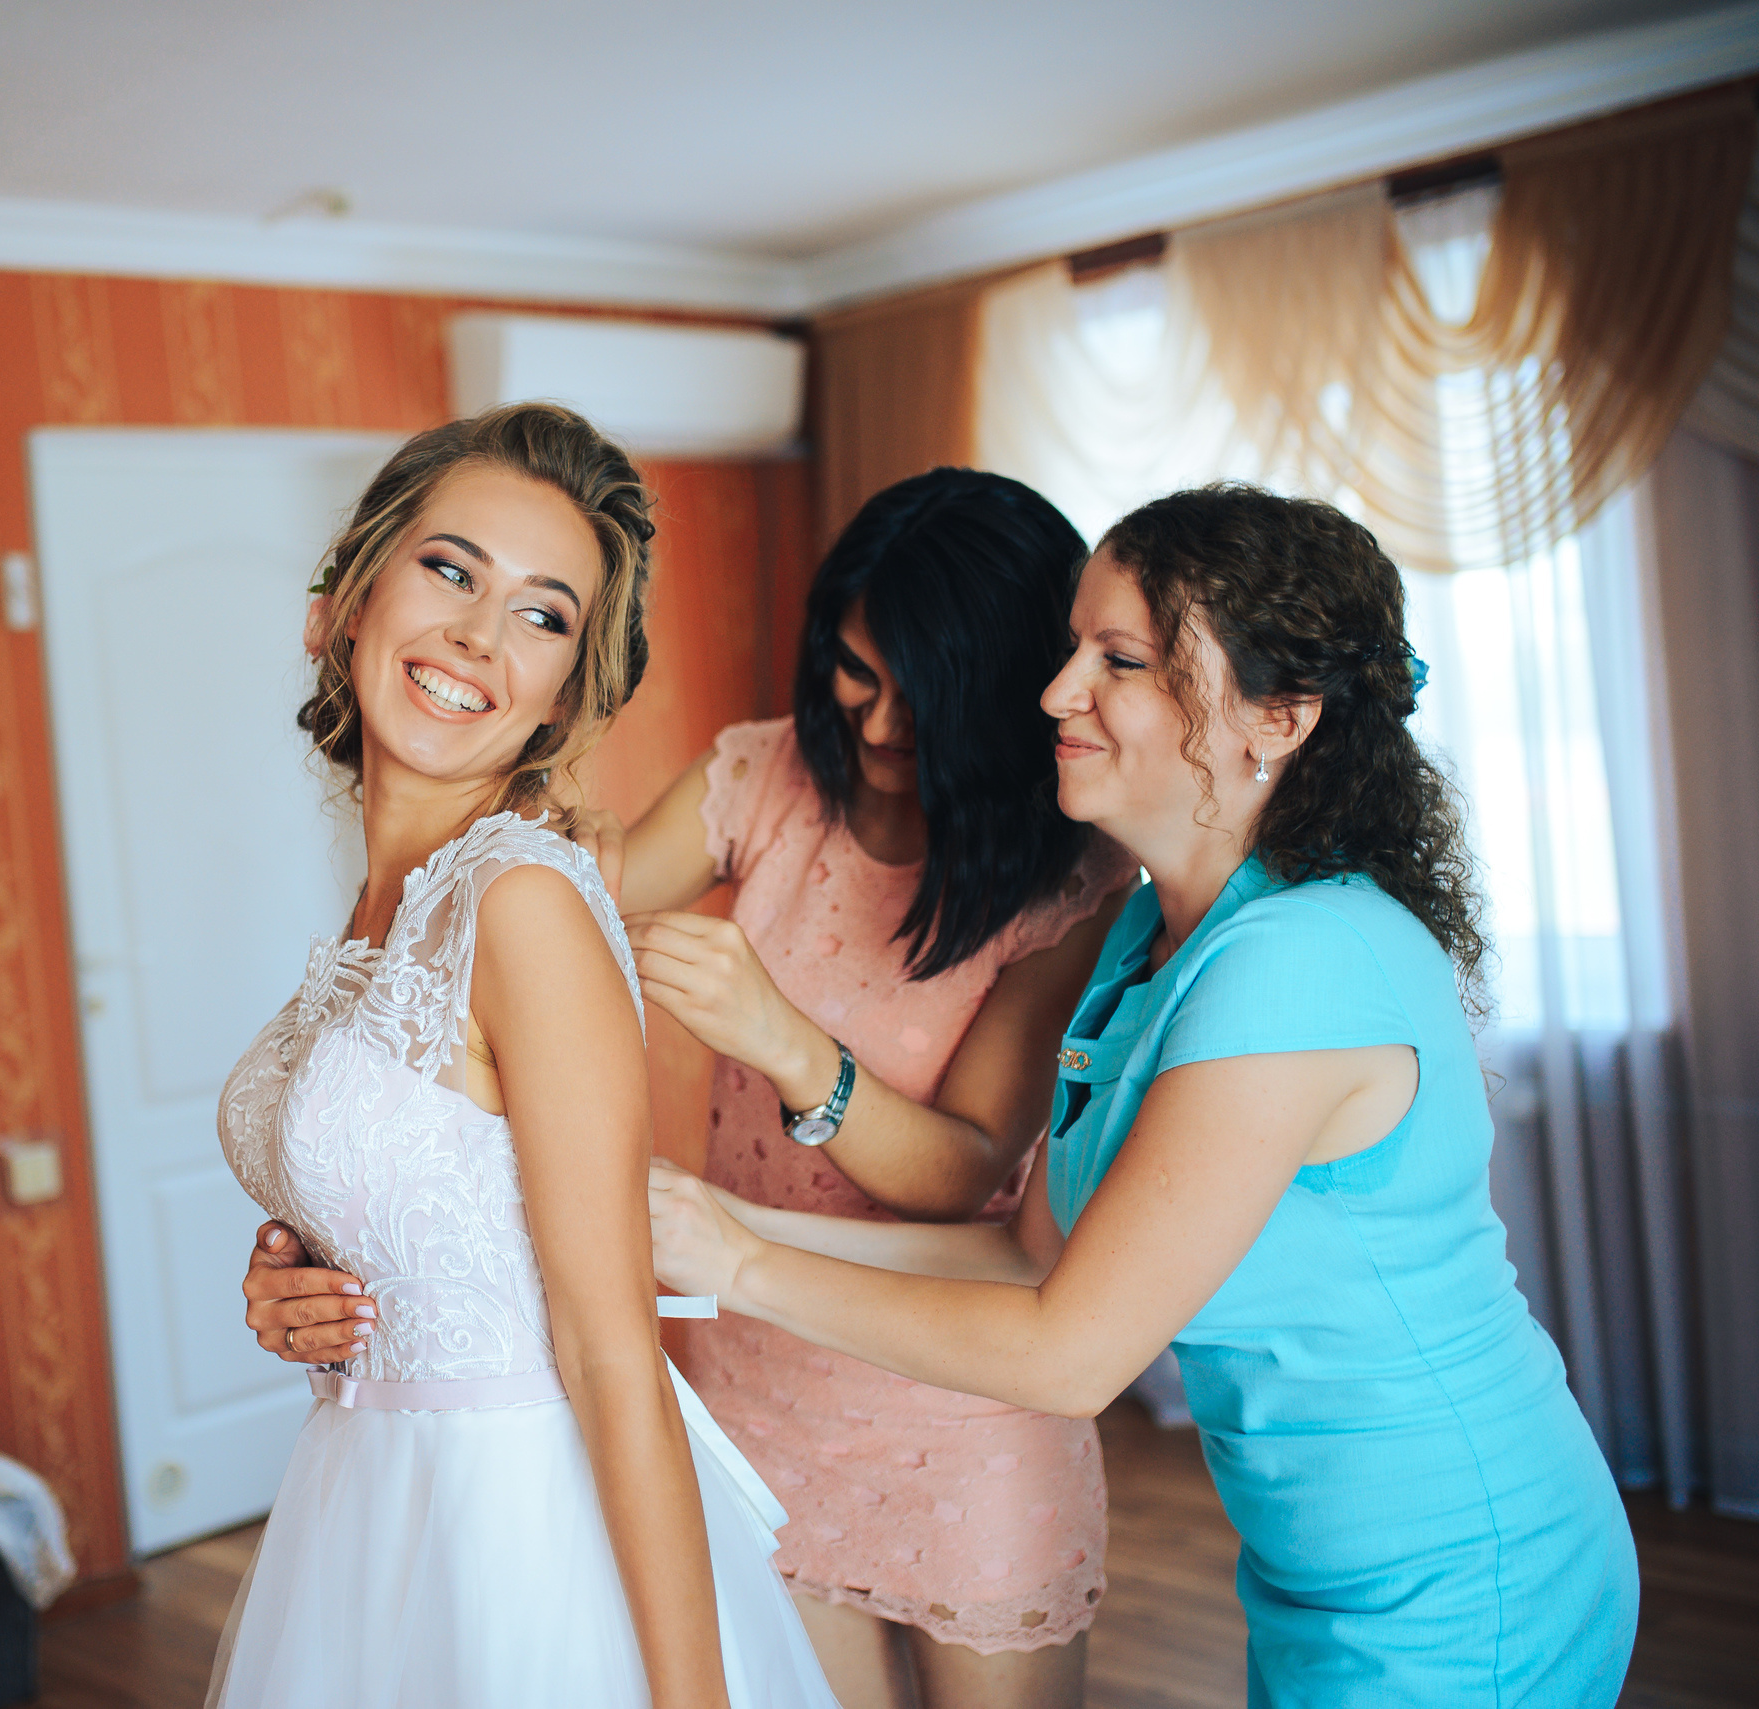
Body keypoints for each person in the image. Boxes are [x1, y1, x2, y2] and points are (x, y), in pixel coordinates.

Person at [649, 485, 1639, 1706]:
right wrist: (713, 1224)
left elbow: (1068, 1352)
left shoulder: (1304, 960)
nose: (1056, 690)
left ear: (1273, 718)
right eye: (1073, 648)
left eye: (1116, 659)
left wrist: (740, 1269)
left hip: (1460, 1571)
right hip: (1313, 1571)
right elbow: (1026, 1257)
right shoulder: (1145, 934)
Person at [251, 468, 1135, 1709]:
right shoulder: (767, 780)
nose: (878, 727)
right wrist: (361, 1206)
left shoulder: (1073, 880)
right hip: (753, 1375)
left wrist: (786, 1042)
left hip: (957, 1396)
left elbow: (975, 1163)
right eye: (854, 671)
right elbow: (544, 918)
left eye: (922, 698)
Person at [210, 402, 836, 1709]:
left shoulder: (520, 906)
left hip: (517, 1537)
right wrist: (305, 1296)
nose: (478, 639)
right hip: (368, 1502)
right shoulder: (387, 910)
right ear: (349, 594)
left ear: (566, 692)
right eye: (451, 569)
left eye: (543, 616)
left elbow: (615, 1358)